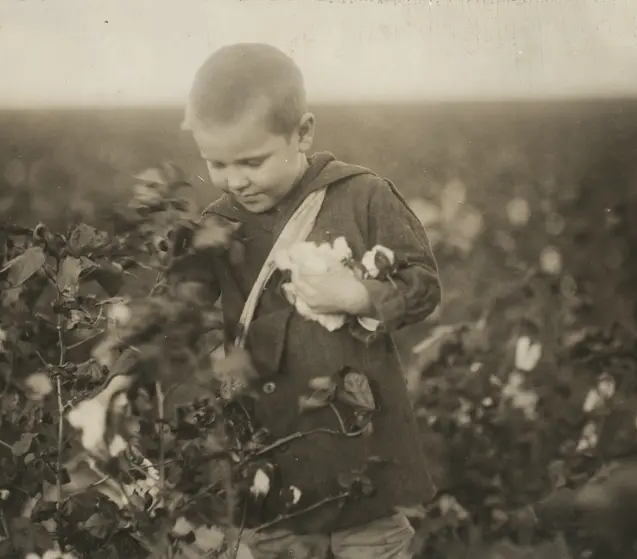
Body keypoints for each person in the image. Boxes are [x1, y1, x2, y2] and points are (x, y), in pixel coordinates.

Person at [178, 42, 442, 559]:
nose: (236, 181)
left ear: (302, 133)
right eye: (217, 163)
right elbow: (175, 312)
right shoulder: (218, 224)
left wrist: (362, 293)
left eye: (252, 162)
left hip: (358, 457)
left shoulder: (361, 197)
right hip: (268, 465)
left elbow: (424, 286)